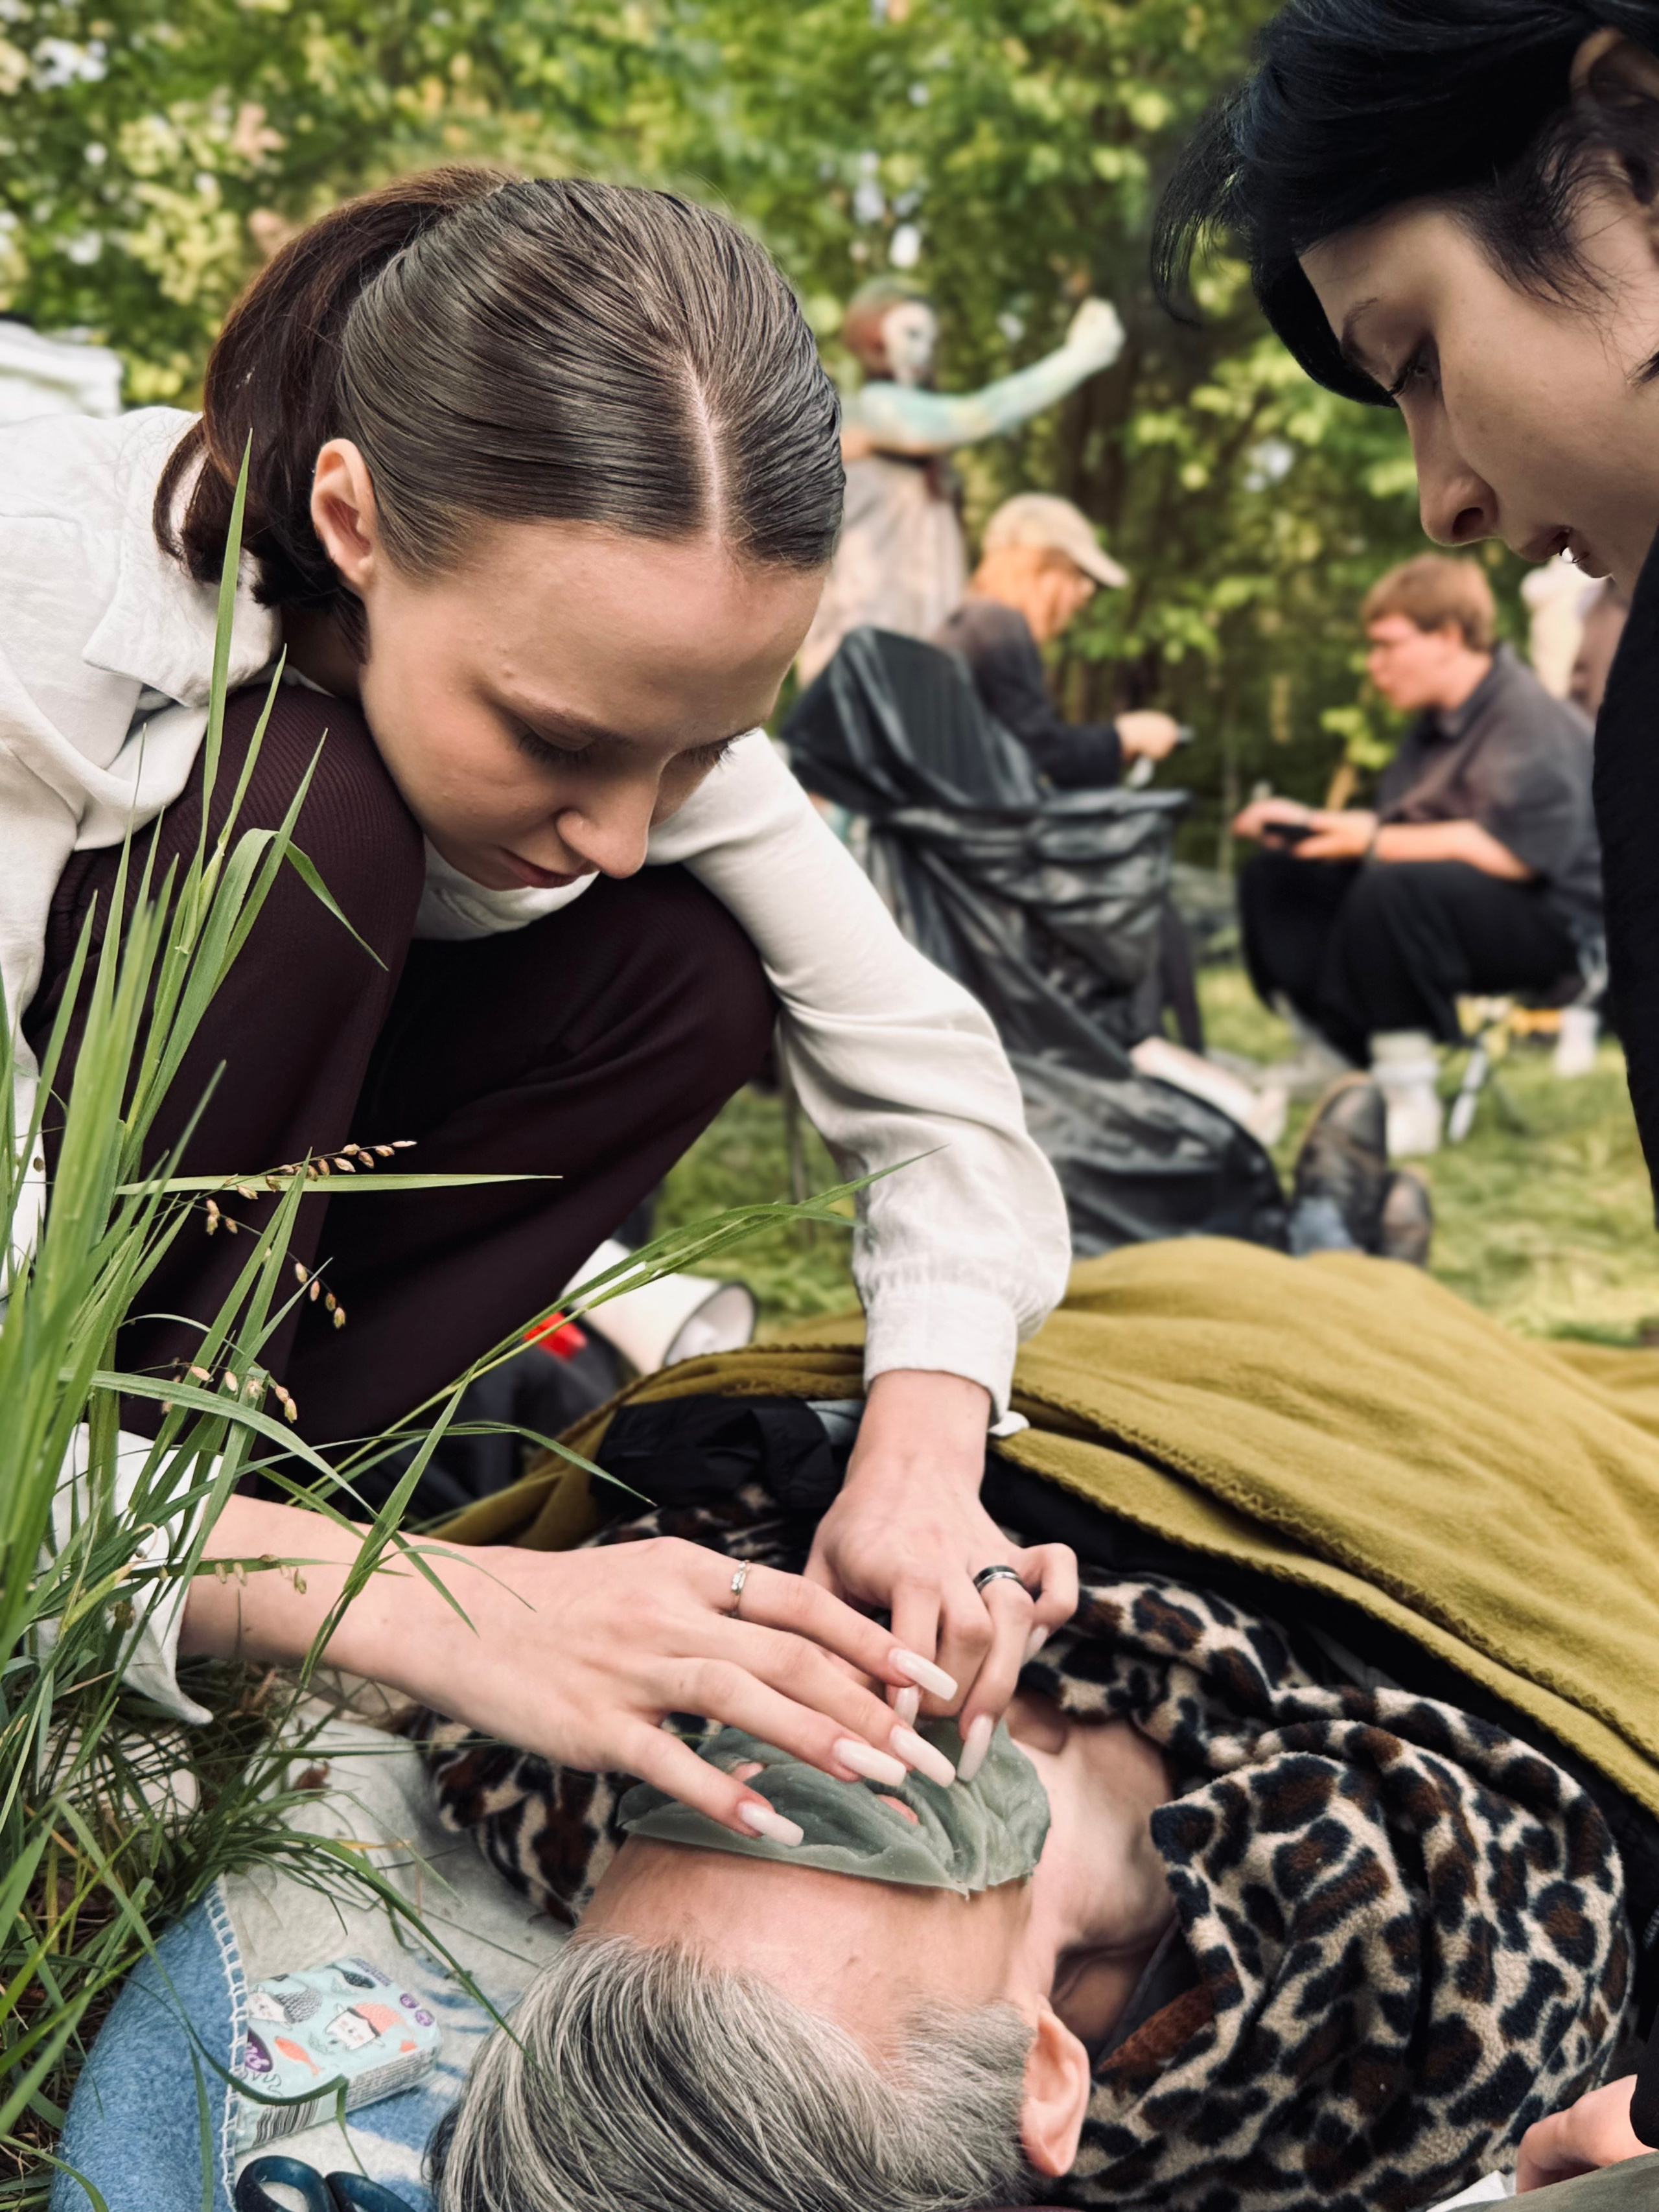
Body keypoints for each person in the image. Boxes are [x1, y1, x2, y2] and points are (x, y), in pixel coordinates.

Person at [3, 167, 1083, 1826]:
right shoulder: (47, 620)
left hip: (218, 1361)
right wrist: (465, 1609)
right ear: (353, 525)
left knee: (692, 967)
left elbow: (931, 1077)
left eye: (702, 746)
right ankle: (144, 1611)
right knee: (310, 819)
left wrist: (923, 1459)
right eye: (562, 742)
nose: (623, 827)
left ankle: (231, 1561)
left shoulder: (598, 668)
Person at [416, 1233, 1655, 2211]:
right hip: (1435, 1423)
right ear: (1042, 2069)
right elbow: (1538, 1811)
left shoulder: (558, 1767)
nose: (803, 1735)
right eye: (860, 1819)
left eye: (705, 1792)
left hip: (1152, 1336)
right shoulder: (1403, 2022)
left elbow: (545, 1605)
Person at [1150, 0, 1659, 2182]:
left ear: (1624, 118)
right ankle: (1365, 1123)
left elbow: (1497, 863)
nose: (1445, 483)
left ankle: (1387, 1126)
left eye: (1419, 348)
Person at [1232, 555, 1602, 1155]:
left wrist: (1372, 839)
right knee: (1280, 876)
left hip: (1557, 928)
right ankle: (1337, 1056)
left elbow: (1521, 854)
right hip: (1450, 904)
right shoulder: (1432, 725)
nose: (1374, 665)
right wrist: (1312, 828)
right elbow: (1407, 829)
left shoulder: (1524, 717)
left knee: (1395, 883)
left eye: (1387, 646)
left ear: (1449, 637)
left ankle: (1410, 1100)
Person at [795, 281, 1126, 683]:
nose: (923, 350)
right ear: (871, 337)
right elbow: (980, 414)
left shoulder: (919, 444)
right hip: (868, 664)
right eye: (911, 333)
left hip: (916, 663)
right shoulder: (875, 408)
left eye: (931, 339)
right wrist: (1079, 358)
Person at [934, 493, 1183, 791]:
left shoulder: (968, 624)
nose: (1085, 592)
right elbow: (1041, 756)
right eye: (1077, 574)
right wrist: (1123, 737)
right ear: (1039, 565)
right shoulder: (1000, 627)